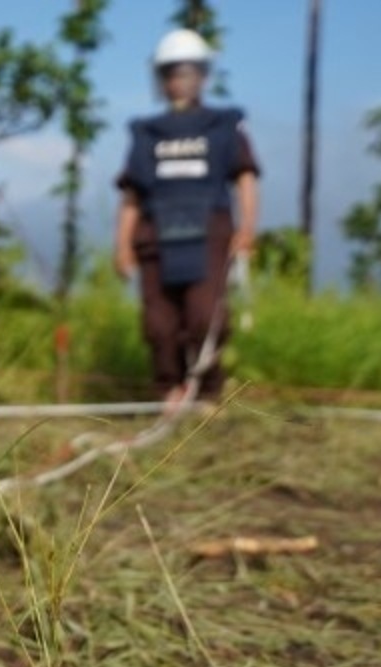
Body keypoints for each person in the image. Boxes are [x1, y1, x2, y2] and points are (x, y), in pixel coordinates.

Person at [114, 29, 259, 408]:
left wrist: (247, 228)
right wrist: (122, 245)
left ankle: (208, 393)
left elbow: (245, 177)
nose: (180, 81)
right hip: (155, 236)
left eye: (188, 72)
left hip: (208, 233)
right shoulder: (146, 134)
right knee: (159, 324)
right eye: (172, 73)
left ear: (203, 75)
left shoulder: (224, 126)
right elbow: (132, 194)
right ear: (161, 79)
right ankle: (168, 391)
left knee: (204, 317)